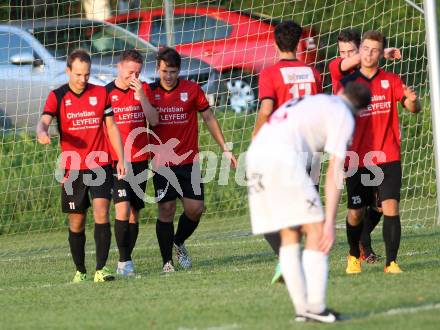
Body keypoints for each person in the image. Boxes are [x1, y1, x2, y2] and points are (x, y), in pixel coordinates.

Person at [246, 82, 371, 323]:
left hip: (254, 156)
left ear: (341, 93)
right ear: (361, 110)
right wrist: (329, 223)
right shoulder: (343, 114)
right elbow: (334, 170)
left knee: (290, 233)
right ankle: (316, 306)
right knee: (315, 229)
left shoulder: (321, 100)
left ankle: (303, 310)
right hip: (280, 158)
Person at [36, 49, 126, 283]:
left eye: (86, 74)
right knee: (76, 221)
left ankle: (101, 269)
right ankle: (81, 270)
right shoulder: (57, 96)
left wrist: (121, 158)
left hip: (100, 164)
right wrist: (42, 132)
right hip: (73, 169)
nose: (82, 79)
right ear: (68, 71)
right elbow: (44, 120)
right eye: (78, 74)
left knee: (102, 213)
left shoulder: (100, 93)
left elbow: (112, 127)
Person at [149, 47, 237, 273]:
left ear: (179, 71)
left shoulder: (192, 89)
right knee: (166, 209)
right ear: (158, 69)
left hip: (189, 162)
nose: (168, 76)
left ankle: (178, 241)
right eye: (165, 71)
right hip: (162, 163)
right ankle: (166, 262)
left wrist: (225, 148)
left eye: (173, 71)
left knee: (195, 209)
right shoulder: (149, 92)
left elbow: (208, 116)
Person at [341, 30, 421, 275]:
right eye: (365, 48)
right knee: (355, 213)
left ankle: (391, 263)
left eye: (374, 50)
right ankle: (354, 256)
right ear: (360, 50)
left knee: (390, 207)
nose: (369, 54)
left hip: (388, 156)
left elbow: (412, 108)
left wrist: (413, 100)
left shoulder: (392, 80)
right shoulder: (348, 83)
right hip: (358, 158)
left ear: (380, 54)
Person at [251, 20, 322, 284]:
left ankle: (286, 258)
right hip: (310, 147)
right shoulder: (312, 73)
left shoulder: (270, 74)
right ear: (299, 42)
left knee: (267, 207)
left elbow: (267, 109)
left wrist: (256, 136)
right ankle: (302, 260)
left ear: (275, 43)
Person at [329, 29, 401, 263]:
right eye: (343, 52)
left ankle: (362, 241)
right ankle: (362, 247)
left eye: (351, 50)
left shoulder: (376, 76)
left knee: (381, 205)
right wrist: (378, 52)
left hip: (378, 149)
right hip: (351, 150)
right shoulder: (338, 70)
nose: (346, 56)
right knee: (357, 208)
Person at [105, 49, 158, 276]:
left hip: (139, 160)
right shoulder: (106, 92)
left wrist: (142, 98)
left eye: (137, 72)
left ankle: (124, 261)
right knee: (122, 208)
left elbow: (154, 120)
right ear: (119, 67)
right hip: (116, 161)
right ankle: (125, 260)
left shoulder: (143, 89)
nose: (133, 77)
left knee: (134, 213)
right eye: (129, 72)